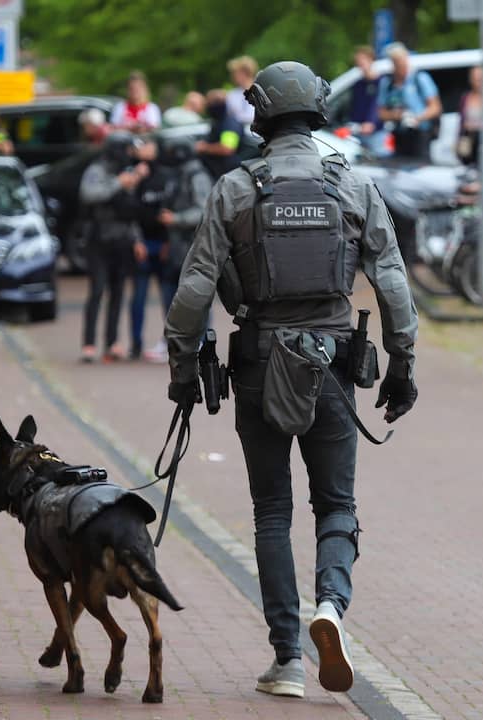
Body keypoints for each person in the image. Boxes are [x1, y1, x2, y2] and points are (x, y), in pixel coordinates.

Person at [163, 60, 418, 699]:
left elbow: (194, 288)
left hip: (258, 362)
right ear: (318, 109)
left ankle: (288, 659)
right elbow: (391, 279)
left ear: (261, 114)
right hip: (334, 361)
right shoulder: (352, 185)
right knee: (336, 505)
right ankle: (331, 605)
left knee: (272, 510)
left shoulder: (236, 188)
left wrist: (182, 370)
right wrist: (402, 364)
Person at [137, 136, 213, 362]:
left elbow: (203, 211)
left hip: (192, 248)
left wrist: (176, 219)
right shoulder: (180, 175)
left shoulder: (196, 176)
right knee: (172, 296)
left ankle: (199, 343)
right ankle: (173, 341)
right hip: (176, 248)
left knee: (196, 297)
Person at [79, 132, 149, 363]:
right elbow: (89, 194)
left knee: (118, 292)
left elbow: (130, 211)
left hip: (122, 240)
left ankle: (112, 343)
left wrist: (137, 239)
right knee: (97, 290)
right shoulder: (97, 170)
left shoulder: (127, 172)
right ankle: (89, 344)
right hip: (98, 239)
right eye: (127, 150)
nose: (130, 155)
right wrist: (118, 183)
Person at [129, 139, 179, 361]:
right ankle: (135, 344)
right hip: (143, 243)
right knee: (138, 297)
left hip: (162, 244)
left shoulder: (167, 176)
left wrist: (169, 242)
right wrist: (136, 241)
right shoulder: (134, 175)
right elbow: (129, 211)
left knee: (169, 298)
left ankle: (169, 341)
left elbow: (172, 209)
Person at [377, 43, 442, 160]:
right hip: (399, 133)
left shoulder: (419, 78)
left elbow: (435, 107)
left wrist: (417, 118)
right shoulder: (388, 83)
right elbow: (381, 113)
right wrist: (397, 115)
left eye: (402, 61)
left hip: (420, 133)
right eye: (396, 62)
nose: (400, 65)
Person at [196, 89, 245, 180]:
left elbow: (227, 148)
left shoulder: (229, 123)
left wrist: (204, 147)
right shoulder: (218, 122)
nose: (208, 106)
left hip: (228, 174)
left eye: (211, 102)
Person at [347, 46, 381, 141]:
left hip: (376, 133)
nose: (360, 64)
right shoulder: (358, 84)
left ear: (371, 59)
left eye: (362, 60)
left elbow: (380, 105)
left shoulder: (382, 82)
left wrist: (372, 122)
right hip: (357, 131)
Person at [226, 56, 260, 128]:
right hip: (238, 131)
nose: (233, 76)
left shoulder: (261, 91)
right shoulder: (232, 94)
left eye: (235, 72)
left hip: (257, 131)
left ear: (245, 72)